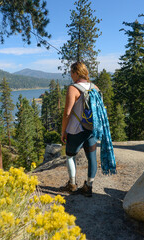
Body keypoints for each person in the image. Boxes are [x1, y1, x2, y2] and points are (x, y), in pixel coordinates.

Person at [60, 62, 99, 197]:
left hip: (76, 130)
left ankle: (72, 185)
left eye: (71, 72)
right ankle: (89, 186)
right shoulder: (95, 87)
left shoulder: (73, 88)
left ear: (77, 73)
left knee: (70, 156)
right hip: (91, 129)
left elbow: (67, 113)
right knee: (92, 157)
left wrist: (63, 131)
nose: (71, 75)